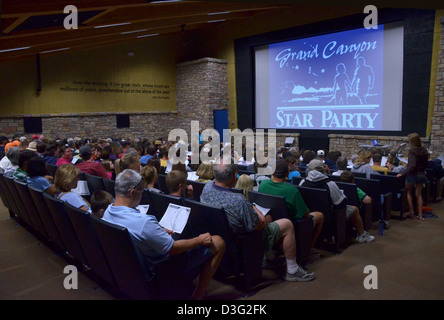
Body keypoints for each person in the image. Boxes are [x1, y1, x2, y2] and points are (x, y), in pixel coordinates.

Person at [102, 169, 225, 300]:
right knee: (218, 241)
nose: (142, 195)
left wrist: (157, 231)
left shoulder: (107, 213)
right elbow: (173, 249)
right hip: (162, 268)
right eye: (141, 191)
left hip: (131, 270)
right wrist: (199, 240)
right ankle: (198, 295)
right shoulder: (144, 223)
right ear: (133, 192)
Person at [201, 161, 315, 282]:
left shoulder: (207, 187)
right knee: (287, 224)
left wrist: (253, 209)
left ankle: (270, 258)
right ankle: (292, 270)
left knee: (269, 217)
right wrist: (259, 215)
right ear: (235, 176)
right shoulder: (238, 200)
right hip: (246, 240)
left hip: (222, 235)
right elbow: (257, 226)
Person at [258, 159, 324, 259]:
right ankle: (308, 251)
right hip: (293, 223)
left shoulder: (263, 184)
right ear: (287, 173)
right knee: (320, 215)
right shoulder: (292, 190)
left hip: (272, 222)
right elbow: (305, 213)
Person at [300, 159, 375, 243]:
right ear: (322, 170)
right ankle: (362, 235)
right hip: (331, 216)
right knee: (354, 209)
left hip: (311, 213)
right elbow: (341, 203)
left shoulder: (303, 182)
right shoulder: (329, 184)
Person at [396, 133, 429, 220]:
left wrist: (402, 173)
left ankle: (412, 213)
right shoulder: (424, 150)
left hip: (412, 174)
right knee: (419, 195)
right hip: (421, 174)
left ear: (412, 141)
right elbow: (426, 163)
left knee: (409, 193)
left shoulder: (412, 151)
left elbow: (412, 165)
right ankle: (421, 215)